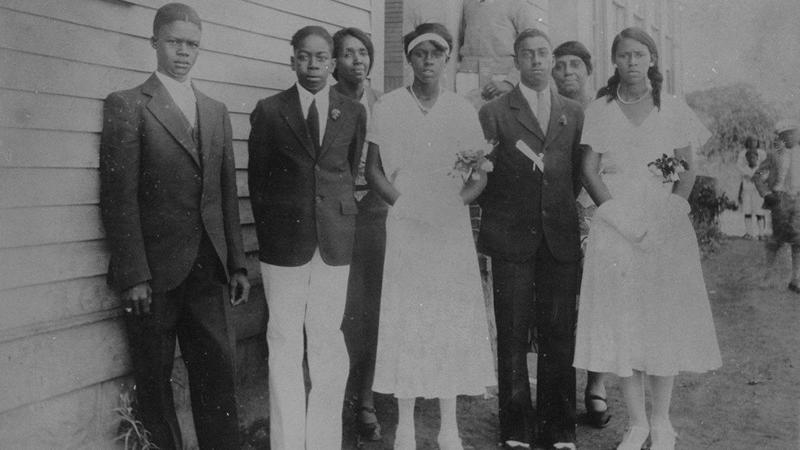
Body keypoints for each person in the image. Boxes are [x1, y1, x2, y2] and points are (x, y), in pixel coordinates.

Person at [99, 4, 250, 449]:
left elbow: (225, 193)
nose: (183, 52)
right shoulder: (128, 104)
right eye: (174, 42)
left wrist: (237, 264)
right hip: (154, 277)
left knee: (218, 377)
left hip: (208, 272)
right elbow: (118, 197)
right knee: (154, 383)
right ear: (154, 43)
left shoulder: (214, 109)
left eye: (192, 44)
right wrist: (134, 275)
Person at [573, 27, 722, 450]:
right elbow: (588, 169)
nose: (632, 62)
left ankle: (661, 422)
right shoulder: (601, 107)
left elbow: (686, 166)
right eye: (624, 56)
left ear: (652, 60)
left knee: (660, 323)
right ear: (614, 62)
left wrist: (671, 213)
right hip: (616, 226)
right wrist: (617, 217)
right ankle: (636, 422)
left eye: (640, 54)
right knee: (624, 324)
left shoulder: (672, 107)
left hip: (663, 226)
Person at [365, 22, 496, 450]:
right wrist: (405, 206)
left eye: (436, 54)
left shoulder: (461, 109)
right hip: (404, 220)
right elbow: (374, 171)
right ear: (409, 59)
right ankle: (404, 423)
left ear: (446, 59)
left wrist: (453, 204)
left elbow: (478, 176)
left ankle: (449, 426)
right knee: (407, 318)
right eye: (419, 54)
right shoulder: (388, 106)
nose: (427, 61)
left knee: (447, 320)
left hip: (447, 224)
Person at [247, 25, 367, 450]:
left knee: (327, 341)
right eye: (304, 56)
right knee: (283, 341)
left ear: (332, 63)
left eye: (321, 58)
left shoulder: (351, 111)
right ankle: (287, 442)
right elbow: (258, 184)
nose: (312, 65)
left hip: (334, 243)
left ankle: (322, 441)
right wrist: (275, 233)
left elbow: (347, 172)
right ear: (292, 59)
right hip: (284, 247)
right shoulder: (269, 110)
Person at [478, 28, 584, 450]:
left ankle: (559, 428)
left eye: (544, 54)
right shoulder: (495, 111)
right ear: (517, 60)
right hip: (511, 237)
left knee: (560, 332)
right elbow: (483, 178)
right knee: (512, 331)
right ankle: (517, 429)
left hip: (558, 237)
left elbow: (575, 175)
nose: (538, 61)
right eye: (529, 54)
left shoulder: (573, 111)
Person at [551, 39, 612, 430]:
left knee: (599, 301)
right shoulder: (547, 109)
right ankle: (557, 391)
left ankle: (596, 386)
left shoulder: (604, 111)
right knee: (560, 304)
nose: (567, 72)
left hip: (597, 215)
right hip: (557, 216)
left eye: (575, 65)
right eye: (560, 65)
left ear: (589, 71)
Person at [331, 27, 386, 443]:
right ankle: (338, 397)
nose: (358, 61)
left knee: (373, 308)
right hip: (336, 219)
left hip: (377, 215)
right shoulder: (325, 102)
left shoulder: (383, 103)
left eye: (363, 53)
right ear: (335, 61)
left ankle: (366, 397)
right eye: (348, 54)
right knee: (342, 311)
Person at [457, 0, 540, 108]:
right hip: (468, 79)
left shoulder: (518, 6)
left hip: (502, 80)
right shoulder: (468, 4)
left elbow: (533, 48)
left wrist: (510, 82)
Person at [754, 120, 800, 293]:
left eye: (793, 134)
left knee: (798, 240)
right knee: (776, 239)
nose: (789, 137)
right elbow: (757, 175)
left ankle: (796, 279)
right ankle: (767, 276)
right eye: (785, 135)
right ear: (782, 137)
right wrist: (766, 194)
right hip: (779, 201)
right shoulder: (774, 155)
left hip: (798, 201)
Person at [737, 136, 767, 239]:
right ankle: (749, 233)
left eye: (754, 157)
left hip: (758, 193)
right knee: (747, 211)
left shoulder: (760, 170)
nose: (751, 159)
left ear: (757, 159)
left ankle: (761, 234)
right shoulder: (744, 169)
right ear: (746, 159)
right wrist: (739, 194)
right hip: (747, 192)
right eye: (749, 158)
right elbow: (742, 183)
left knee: (759, 212)